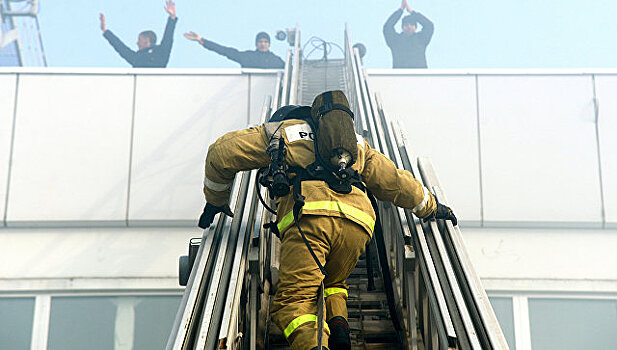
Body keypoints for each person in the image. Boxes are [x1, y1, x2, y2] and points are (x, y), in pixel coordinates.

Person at [197, 90, 456, 350]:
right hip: (358, 223)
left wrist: (216, 201)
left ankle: (315, 344)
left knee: (295, 302)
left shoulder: (283, 132)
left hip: (310, 219)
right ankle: (340, 333)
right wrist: (432, 207)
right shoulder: (356, 144)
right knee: (333, 282)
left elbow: (221, 153)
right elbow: (395, 181)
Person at [99, 0, 177, 68]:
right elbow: (121, 48)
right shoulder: (137, 58)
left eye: (139, 39)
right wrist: (105, 31)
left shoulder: (161, 53)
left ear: (147, 40)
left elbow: (168, 38)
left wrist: (172, 18)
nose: (137, 43)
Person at [184, 30, 285, 69]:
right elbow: (224, 51)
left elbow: (291, 70)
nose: (263, 44)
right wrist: (202, 41)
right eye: (260, 41)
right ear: (256, 44)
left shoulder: (276, 60)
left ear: (269, 44)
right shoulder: (248, 57)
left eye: (265, 42)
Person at [383, 0, 434, 69]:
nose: (409, 26)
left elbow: (429, 26)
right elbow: (387, 27)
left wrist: (412, 12)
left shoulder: (421, 39)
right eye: (406, 24)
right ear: (402, 27)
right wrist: (400, 10)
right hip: (400, 76)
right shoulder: (395, 40)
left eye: (412, 24)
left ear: (415, 27)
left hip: (420, 76)